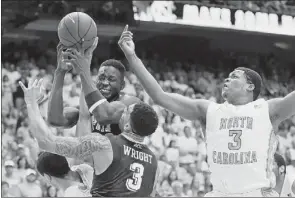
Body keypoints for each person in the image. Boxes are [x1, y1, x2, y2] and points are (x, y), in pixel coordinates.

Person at [118, 25, 295, 197]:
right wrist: (131, 56)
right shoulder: (208, 110)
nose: (227, 79)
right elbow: (159, 96)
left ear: (250, 86)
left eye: (234, 76)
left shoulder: (267, 110)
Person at [19, 78, 160, 197]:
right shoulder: (154, 162)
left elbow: (45, 141)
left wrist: (31, 103)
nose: (122, 110)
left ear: (128, 126)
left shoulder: (103, 143)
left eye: (126, 112)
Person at [47, 41, 140, 136]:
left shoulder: (131, 103)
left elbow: (105, 115)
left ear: (122, 86)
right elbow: (55, 120)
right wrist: (60, 72)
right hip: (87, 149)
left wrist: (84, 69)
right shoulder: (85, 108)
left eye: (111, 79)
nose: (104, 83)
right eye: (102, 78)